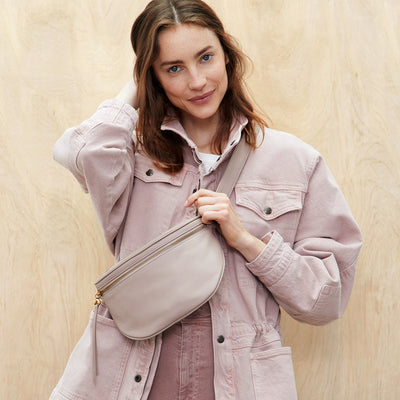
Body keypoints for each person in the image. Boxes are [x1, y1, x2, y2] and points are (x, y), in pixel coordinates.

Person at [50, 0, 362, 399]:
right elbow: (77, 152)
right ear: (153, 77)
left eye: (205, 57)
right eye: (173, 68)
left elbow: (325, 300)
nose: (197, 81)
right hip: (132, 375)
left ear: (227, 55)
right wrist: (135, 88)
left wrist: (247, 240)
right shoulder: (129, 156)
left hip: (239, 382)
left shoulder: (295, 161)